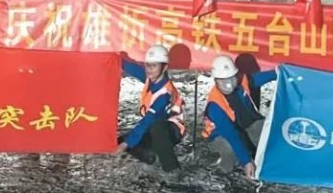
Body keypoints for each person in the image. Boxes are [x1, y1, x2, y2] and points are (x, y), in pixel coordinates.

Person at [116, 45, 185, 175]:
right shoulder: (152, 77)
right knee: (121, 139)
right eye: (147, 65)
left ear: (164, 67)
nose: (149, 69)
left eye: (154, 66)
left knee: (154, 129)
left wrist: (127, 144)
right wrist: (116, 58)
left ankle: (172, 168)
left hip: (170, 130)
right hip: (154, 126)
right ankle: (150, 156)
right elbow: (132, 68)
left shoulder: (164, 94)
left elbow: (148, 120)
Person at [202, 56, 275, 178]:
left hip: (246, 125)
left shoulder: (242, 81)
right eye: (223, 81)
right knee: (230, 149)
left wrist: (278, 73)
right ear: (215, 80)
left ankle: (254, 153)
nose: (228, 85)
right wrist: (247, 162)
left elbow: (259, 78)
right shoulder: (215, 106)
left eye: (232, 79)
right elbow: (231, 134)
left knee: (269, 131)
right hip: (221, 135)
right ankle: (224, 169)